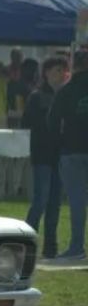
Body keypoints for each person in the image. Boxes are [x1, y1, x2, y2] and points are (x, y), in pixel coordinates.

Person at [23, 56, 68, 259]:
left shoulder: (65, 95)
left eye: (63, 71)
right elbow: (28, 123)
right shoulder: (37, 97)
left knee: (54, 203)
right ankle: (25, 243)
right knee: (40, 200)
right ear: (47, 72)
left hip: (59, 155)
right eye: (57, 70)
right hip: (42, 154)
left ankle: (50, 247)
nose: (60, 74)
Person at [49, 49, 88, 261]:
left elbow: (52, 121)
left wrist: (60, 143)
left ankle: (77, 246)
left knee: (77, 201)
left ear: (73, 66)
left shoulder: (66, 90)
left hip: (72, 150)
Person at [7, 58, 39, 128]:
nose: (38, 73)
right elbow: (19, 108)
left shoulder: (34, 86)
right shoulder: (19, 86)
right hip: (19, 123)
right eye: (36, 70)